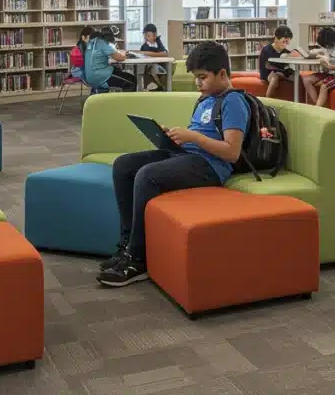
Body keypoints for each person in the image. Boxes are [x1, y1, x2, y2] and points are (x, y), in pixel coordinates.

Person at [99, 41, 249, 287]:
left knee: (147, 175)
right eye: (196, 77)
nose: (198, 83)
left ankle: (138, 259)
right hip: (186, 156)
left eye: (203, 77)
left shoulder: (234, 102)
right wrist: (171, 137)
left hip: (210, 166)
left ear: (222, 73)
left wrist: (193, 137)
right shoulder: (205, 99)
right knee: (123, 165)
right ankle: (126, 245)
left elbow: (232, 152)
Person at [302, 27, 335, 108]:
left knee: (324, 86)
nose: (326, 46)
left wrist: (330, 66)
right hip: (329, 73)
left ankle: (317, 108)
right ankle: (318, 105)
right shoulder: (328, 46)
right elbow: (324, 54)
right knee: (306, 80)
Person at [85, 26, 136, 92]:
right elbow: (120, 58)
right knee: (132, 81)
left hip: (91, 75)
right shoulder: (102, 43)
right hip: (99, 76)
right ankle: (126, 99)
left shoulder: (93, 42)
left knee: (118, 71)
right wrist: (124, 54)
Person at [259, 25, 300, 99]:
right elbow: (266, 67)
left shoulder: (286, 52)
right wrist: (279, 72)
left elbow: (286, 67)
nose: (286, 44)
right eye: (284, 41)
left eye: (287, 42)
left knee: (298, 77)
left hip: (282, 73)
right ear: (276, 38)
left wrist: (294, 55)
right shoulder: (266, 50)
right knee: (274, 77)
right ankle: (267, 101)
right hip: (268, 73)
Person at [138, 23, 169, 91]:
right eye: (145, 36)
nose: (146, 38)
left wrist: (149, 53)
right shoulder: (144, 46)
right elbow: (141, 56)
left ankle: (159, 86)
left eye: (148, 36)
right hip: (148, 68)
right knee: (147, 70)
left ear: (155, 35)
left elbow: (165, 54)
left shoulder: (159, 43)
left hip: (160, 66)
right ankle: (154, 86)